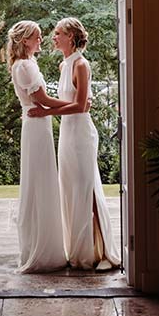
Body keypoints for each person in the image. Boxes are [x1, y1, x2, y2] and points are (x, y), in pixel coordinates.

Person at [28, 17, 121, 271]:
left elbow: (81, 106)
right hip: (67, 134)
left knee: (86, 189)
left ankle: (99, 253)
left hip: (81, 134)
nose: (53, 37)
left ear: (71, 36)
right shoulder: (63, 65)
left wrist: (46, 113)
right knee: (70, 190)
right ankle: (78, 249)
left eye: (58, 33)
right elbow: (68, 103)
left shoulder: (81, 64)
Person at [6, 20, 69, 273]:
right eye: (37, 36)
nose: (42, 40)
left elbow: (42, 103)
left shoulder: (29, 63)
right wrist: (71, 105)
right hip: (35, 124)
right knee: (40, 180)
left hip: (39, 122)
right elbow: (40, 99)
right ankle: (41, 249)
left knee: (43, 179)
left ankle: (47, 244)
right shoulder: (24, 66)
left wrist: (55, 109)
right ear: (25, 41)